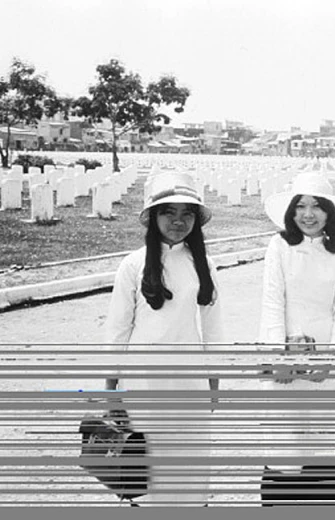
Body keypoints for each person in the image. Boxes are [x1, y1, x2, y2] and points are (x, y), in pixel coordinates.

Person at [104, 171, 223, 507]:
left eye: (187, 214)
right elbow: (117, 331)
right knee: (148, 468)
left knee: (189, 466)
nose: (178, 221)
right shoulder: (132, 265)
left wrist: (214, 380)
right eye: (168, 212)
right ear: (152, 217)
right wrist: (110, 390)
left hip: (189, 383)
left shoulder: (205, 265)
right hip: (143, 382)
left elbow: (213, 328)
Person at [257, 171, 335, 505]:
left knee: (327, 449)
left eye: (317, 207)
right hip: (285, 361)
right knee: (285, 450)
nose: (308, 215)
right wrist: (279, 357)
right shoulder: (279, 246)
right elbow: (273, 302)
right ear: (291, 211)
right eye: (301, 206)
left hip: (324, 367)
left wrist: (331, 357)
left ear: (330, 213)